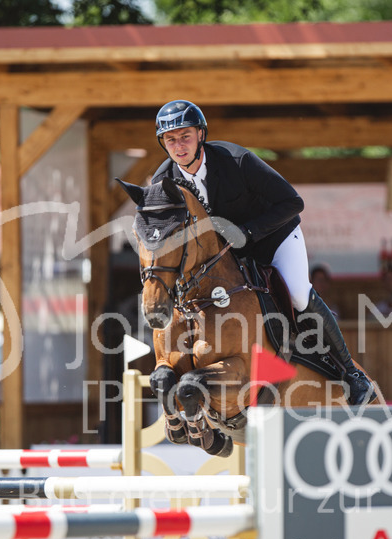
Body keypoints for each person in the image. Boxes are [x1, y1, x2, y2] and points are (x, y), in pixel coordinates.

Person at [150, 100, 372, 404]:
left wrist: (249, 232)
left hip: (273, 237)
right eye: (170, 139)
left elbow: (293, 202)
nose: (179, 145)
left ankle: (352, 374)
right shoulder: (163, 183)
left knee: (298, 294)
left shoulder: (236, 160)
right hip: (224, 254)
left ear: (201, 134)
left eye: (185, 135)